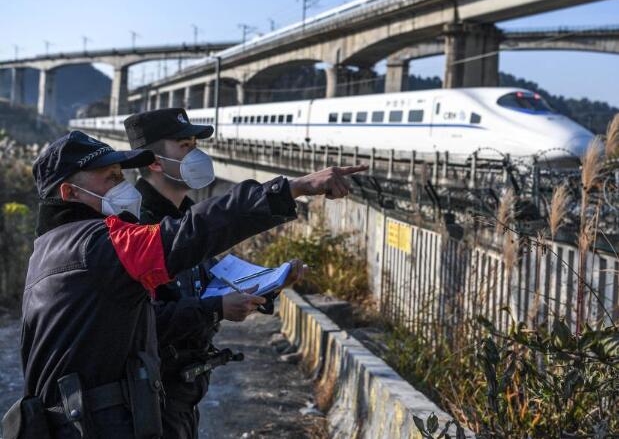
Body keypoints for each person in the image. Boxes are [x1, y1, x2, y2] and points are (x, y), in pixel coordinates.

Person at [4, 129, 365, 439]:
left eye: (121, 174)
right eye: (110, 178)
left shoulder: (53, 247)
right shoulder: (99, 244)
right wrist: (290, 189)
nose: (123, 186)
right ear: (69, 194)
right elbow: (191, 233)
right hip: (93, 426)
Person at [122, 108, 303, 439]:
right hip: (147, 395)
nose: (197, 153)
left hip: (183, 391)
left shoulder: (189, 216)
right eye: (185, 145)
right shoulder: (134, 227)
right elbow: (139, 323)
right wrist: (216, 309)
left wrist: (269, 283)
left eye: (196, 143)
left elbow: (207, 284)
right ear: (153, 162)